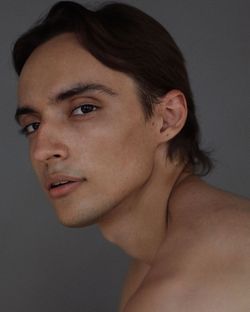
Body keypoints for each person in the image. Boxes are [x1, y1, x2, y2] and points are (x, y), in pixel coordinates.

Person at [13, 1, 250, 311]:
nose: (43, 150)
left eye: (84, 109)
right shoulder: (154, 262)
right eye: (32, 125)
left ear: (167, 118)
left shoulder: (182, 293)